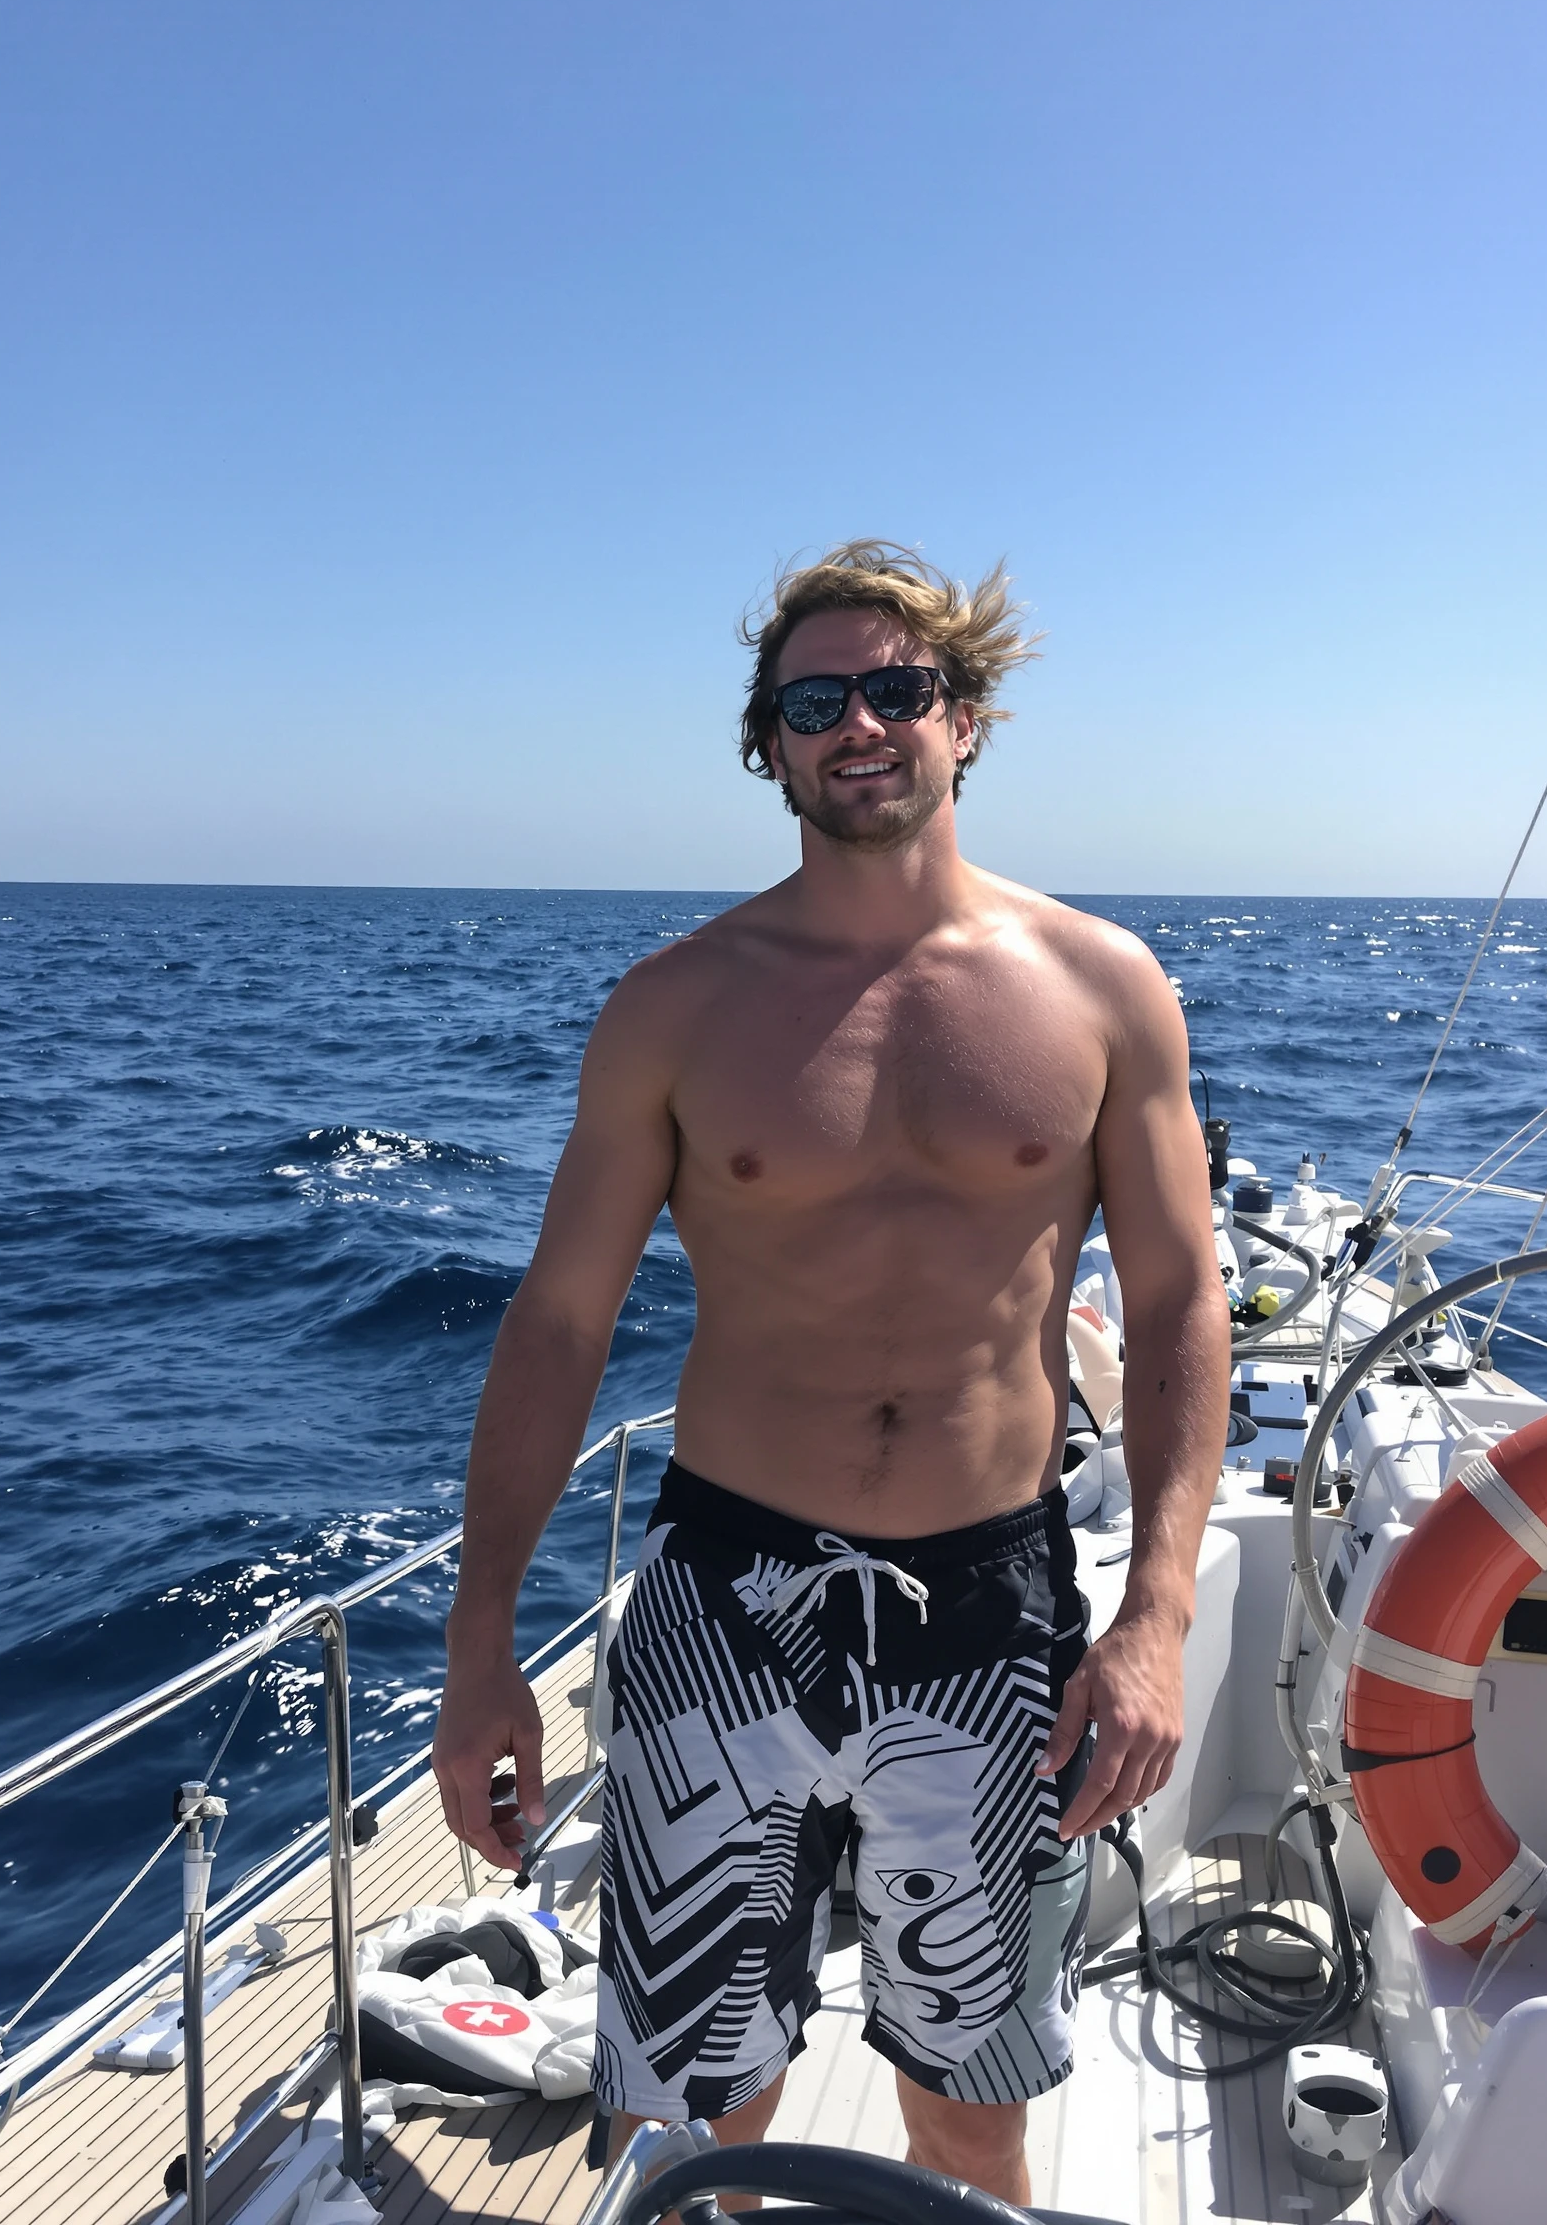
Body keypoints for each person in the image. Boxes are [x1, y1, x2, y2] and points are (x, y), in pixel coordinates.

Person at [432, 542, 1230, 2203]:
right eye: (816, 700)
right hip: (730, 1599)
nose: (858, 722)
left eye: (897, 688)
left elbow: (1172, 1307)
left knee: (975, 2099)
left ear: (966, 719)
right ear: (771, 743)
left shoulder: (1100, 989)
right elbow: (560, 1326)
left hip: (990, 1609)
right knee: (700, 2101)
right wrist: (483, 1642)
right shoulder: (673, 1008)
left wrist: (1155, 1612)